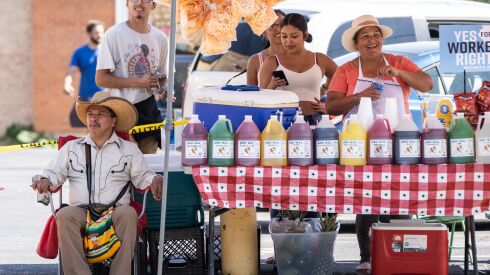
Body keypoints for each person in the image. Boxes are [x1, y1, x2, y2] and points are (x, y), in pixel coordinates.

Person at [326, 15, 433, 274]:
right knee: (367, 202)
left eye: (376, 35)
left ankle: (401, 257)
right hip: (360, 146)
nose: (372, 40)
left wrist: (398, 73)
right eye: (365, 36)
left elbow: (427, 85)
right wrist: (357, 98)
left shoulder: (398, 62)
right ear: (356, 43)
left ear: (382, 39)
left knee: (399, 199)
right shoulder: (347, 70)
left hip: (398, 144)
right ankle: (367, 257)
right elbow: (330, 105)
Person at [31, 92, 163, 275]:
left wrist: (155, 179)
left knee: (128, 213)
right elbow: (52, 173)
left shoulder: (129, 149)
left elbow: (143, 176)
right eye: (90, 115)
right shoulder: (71, 148)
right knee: (64, 215)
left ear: (113, 120)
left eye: (100, 115)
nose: (93, 119)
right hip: (81, 211)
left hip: (115, 211)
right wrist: (45, 180)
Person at [96, 0, 168, 154]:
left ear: (153, 5)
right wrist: (137, 82)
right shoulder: (114, 34)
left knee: (146, 171)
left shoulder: (160, 38)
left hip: (148, 113)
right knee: (122, 170)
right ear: (127, 4)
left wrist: (163, 88)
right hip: (120, 112)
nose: (139, 2)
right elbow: (101, 79)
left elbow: (163, 76)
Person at [259, 13, 337, 125]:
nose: (288, 41)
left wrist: (327, 101)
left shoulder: (319, 59)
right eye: (284, 36)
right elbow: (261, 100)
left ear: (305, 35)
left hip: (315, 120)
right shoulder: (272, 62)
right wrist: (272, 86)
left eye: (294, 36)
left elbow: (343, 81)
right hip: (283, 122)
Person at [64, 20, 105, 127]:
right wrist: (67, 84)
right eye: (96, 32)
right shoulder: (79, 52)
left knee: (102, 127)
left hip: (105, 97)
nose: (100, 35)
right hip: (85, 98)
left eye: (101, 32)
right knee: (79, 124)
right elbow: (70, 72)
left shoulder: (108, 51)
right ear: (89, 34)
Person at [246, 10, 285, 86]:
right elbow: (251, 95)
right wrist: (271, 87)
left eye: (282, 24)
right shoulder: (255, 60)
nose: (278, 29)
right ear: (264, 31)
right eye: (271, 25)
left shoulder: (300, 56)